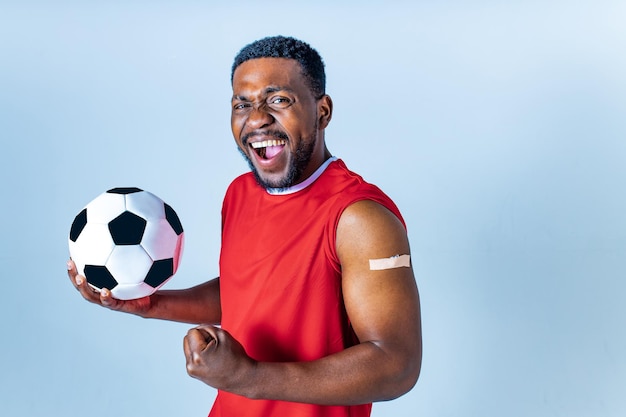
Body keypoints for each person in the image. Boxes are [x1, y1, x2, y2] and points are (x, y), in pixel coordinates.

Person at [67, 35, 422, 417]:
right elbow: (246, 294)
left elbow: (395, 366)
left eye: (278, 100)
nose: (256, 119)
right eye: (242, 104)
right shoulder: (240, 193)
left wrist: (247, 377)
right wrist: (148, 304)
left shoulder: (359, 217)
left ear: (322, 112)